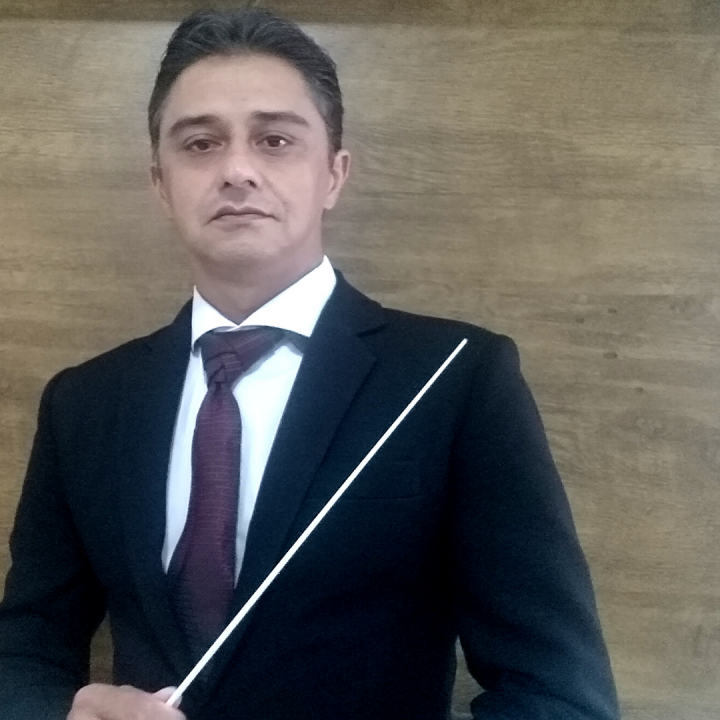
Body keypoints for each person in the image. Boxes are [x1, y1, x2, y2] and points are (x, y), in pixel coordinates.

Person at [0, 7, 620, 720]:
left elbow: (558, 692)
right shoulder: (84, 402)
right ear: (160, 183)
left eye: (275, 140)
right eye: (200, 143)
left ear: (333, 174)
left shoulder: (456, 377)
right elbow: (22, 650)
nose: (237, 170)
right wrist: (66, 709)